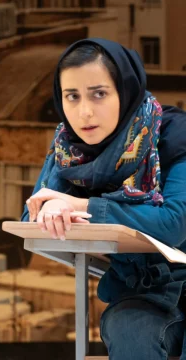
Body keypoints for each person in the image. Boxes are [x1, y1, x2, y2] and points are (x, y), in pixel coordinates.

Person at [22, 38, 186, 359]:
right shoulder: (68, 150)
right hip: (144, 294)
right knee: (131, 330)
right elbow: (34, 216)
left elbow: (173, 222)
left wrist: (79, 205)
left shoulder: (173, 135)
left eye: (99, 94)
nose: (84, 112)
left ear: (124, 90)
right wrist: (54, 206)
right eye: (72, 96)